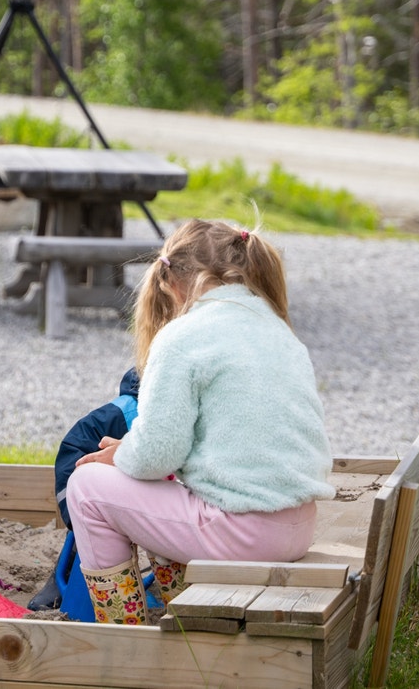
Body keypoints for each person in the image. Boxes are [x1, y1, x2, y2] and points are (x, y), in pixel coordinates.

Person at [64, 218, 335, 624]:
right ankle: (182, 608)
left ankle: (123, 632)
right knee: (160, 486)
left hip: (246, 533)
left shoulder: (184, 336)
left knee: (86, 487)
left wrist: (120, 457)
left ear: (172, 282)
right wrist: (132, 453)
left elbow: (158, 454)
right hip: (296, 525)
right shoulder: (277, 329)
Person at [26, 366, 140, 614]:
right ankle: (69, 574)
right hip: (102, 490)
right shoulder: (123, 413)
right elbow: (73, 451)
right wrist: (77, 516)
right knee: (90, 508)